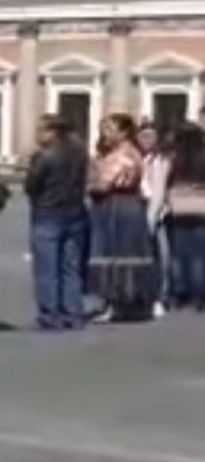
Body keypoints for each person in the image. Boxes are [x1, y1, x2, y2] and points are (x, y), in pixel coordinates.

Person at [88, 112, 157, 322]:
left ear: (124, 132)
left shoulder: (122, 155)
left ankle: (116, 303)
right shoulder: (131, 152)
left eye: (110, 129)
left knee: (115, 253)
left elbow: (103, 184)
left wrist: (90, 184)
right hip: (128, 205)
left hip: (116, 206)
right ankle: (126, 301)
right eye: (104, 129)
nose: (105, 134)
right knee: (127, 253)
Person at [25, 114, 91, 331]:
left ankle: (50, 313)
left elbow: (31, 185)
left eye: (40, 130)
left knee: (47, 268)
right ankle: (73, 312)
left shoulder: (44, 156)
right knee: (71, 267)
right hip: (76, 212)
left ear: (53, 132)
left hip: (47, 214)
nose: (36, 135)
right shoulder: (80, 152)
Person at [164, 122, 205, 310]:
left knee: (178, 254)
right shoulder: (202, 157)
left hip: (178, 208)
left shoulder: (174, 159)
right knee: (199, 255)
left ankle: (179, 293)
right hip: (200, 210)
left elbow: (167, 182)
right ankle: (199, 295)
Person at [138, 120, 172, 312]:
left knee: (161, 256)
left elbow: (158, 193)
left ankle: (160, 296)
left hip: (157, 215)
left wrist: (150, 220)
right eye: (143, 136)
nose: (146, 140)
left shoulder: (160, 161)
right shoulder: (140, 159)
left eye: (150, 136)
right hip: (139, 209)